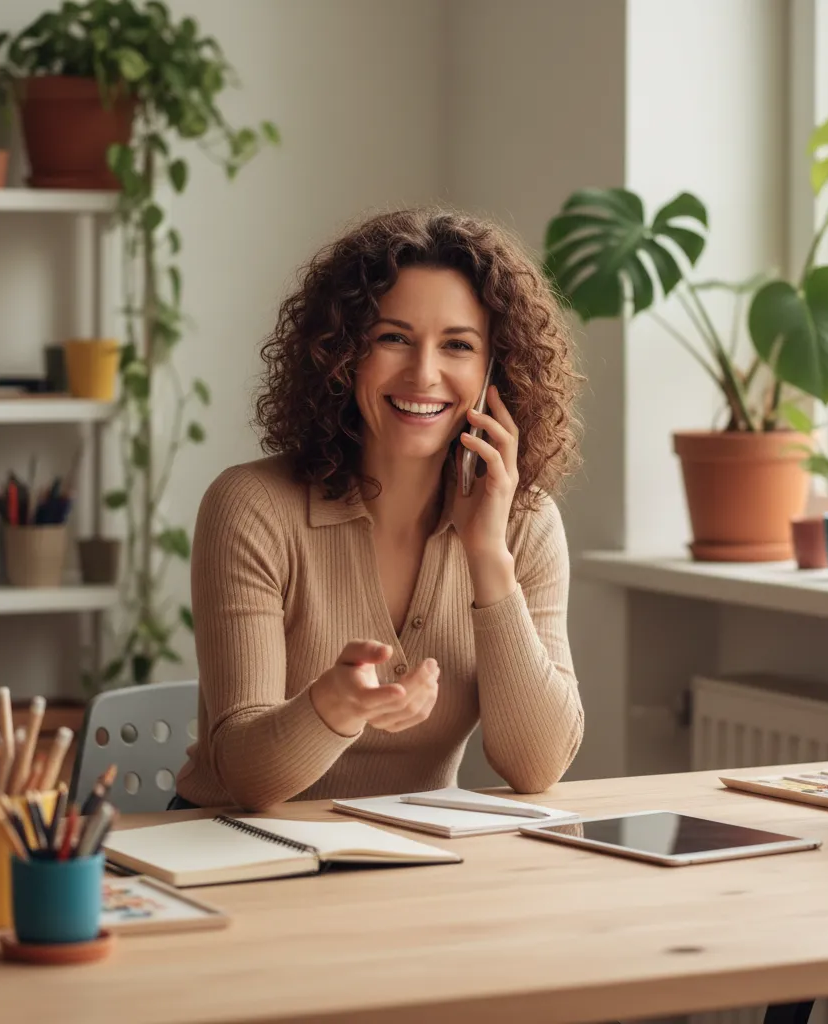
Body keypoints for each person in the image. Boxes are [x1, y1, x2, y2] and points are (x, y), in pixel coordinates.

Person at [172, 209, 585, 811]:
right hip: (242, 853)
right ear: (342, 354)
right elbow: (244, 777)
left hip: (411, 859)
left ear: (496, 369)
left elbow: (538, 767)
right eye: (393, 338)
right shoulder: (253, 508)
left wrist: (488, 555)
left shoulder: (524, 522)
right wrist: (332, 708)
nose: (424, 374)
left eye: (458, 346)